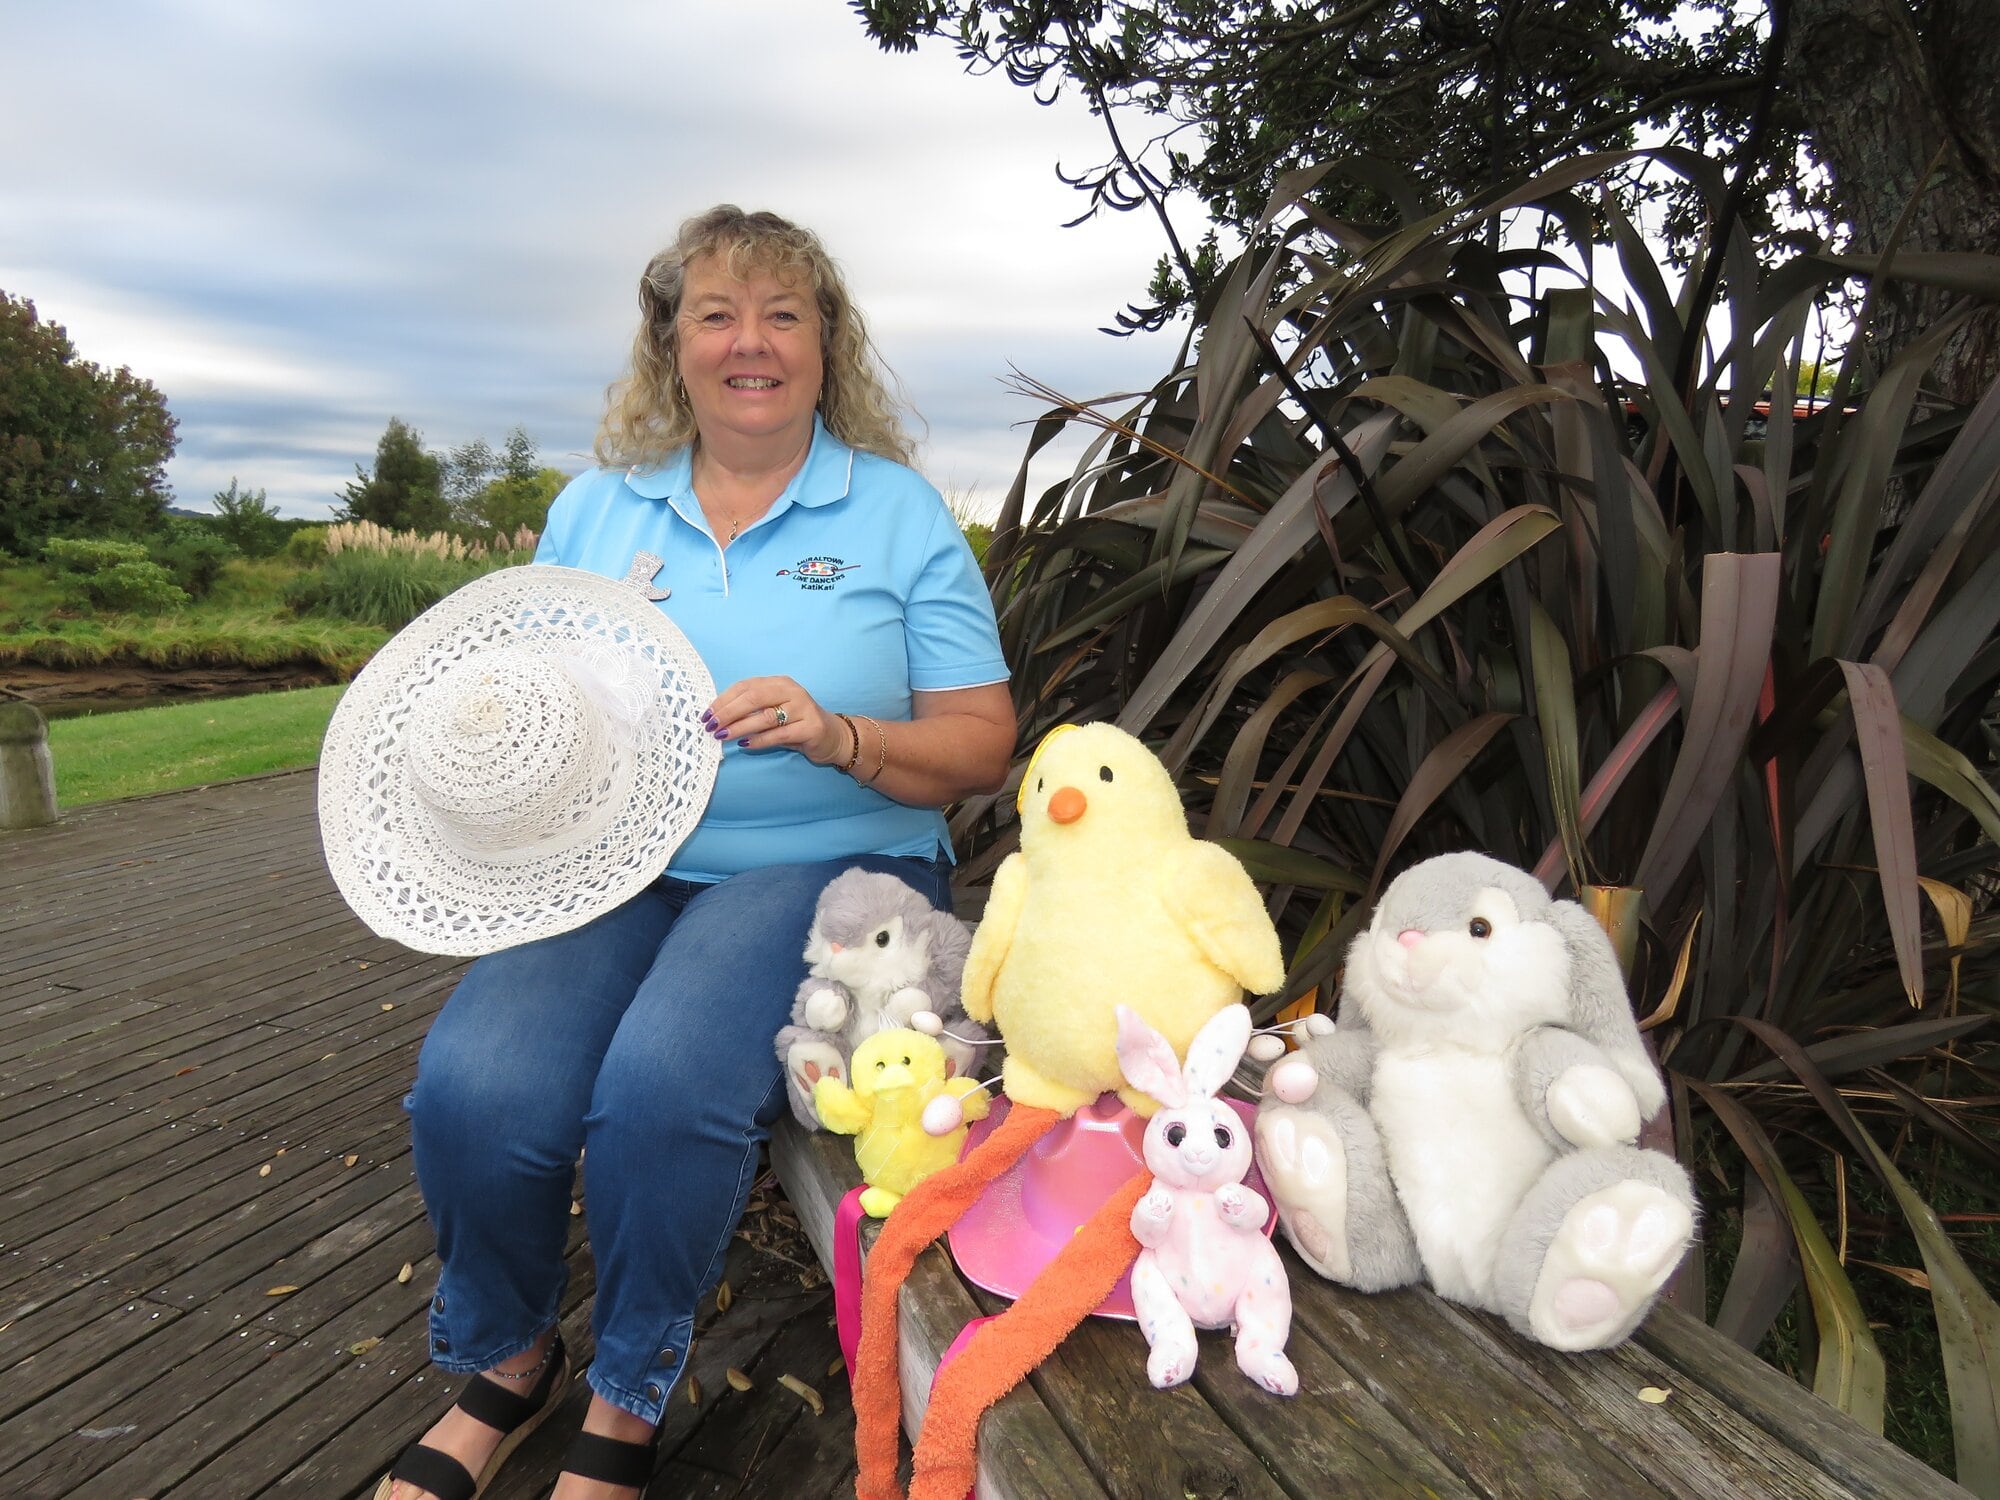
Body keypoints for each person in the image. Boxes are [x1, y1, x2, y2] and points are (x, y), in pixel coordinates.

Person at [376, 205, 1015, 1500]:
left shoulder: (894, 513)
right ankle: (506, 1359)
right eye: (716, 314)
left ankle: (626, 1392)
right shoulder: (597, 513)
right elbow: (534, 703)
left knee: (661, 1085)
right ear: (671, 345)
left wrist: (839, 734)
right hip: (616, 868)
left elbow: (983, 742)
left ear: (827, 345)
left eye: (784, 313)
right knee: (474, 1082)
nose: (751, 343)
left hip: (837, 864)